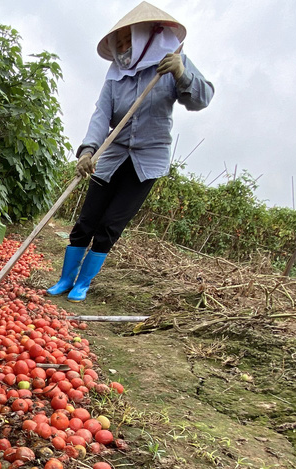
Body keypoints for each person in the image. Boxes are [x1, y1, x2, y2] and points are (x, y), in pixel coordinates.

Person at [47, 1, 214, 302]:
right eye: (119, 42)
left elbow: (202, 98)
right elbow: (101, 115)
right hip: (112, 156)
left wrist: (181, 75)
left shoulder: (172, 63)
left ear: (145, 37)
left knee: (110, 225)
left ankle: (83, 284)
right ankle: (65, 279)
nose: (123, 46)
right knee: (87, 220)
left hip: (147, 160)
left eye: (129, 40)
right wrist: (88, 150)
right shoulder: (114, 75)